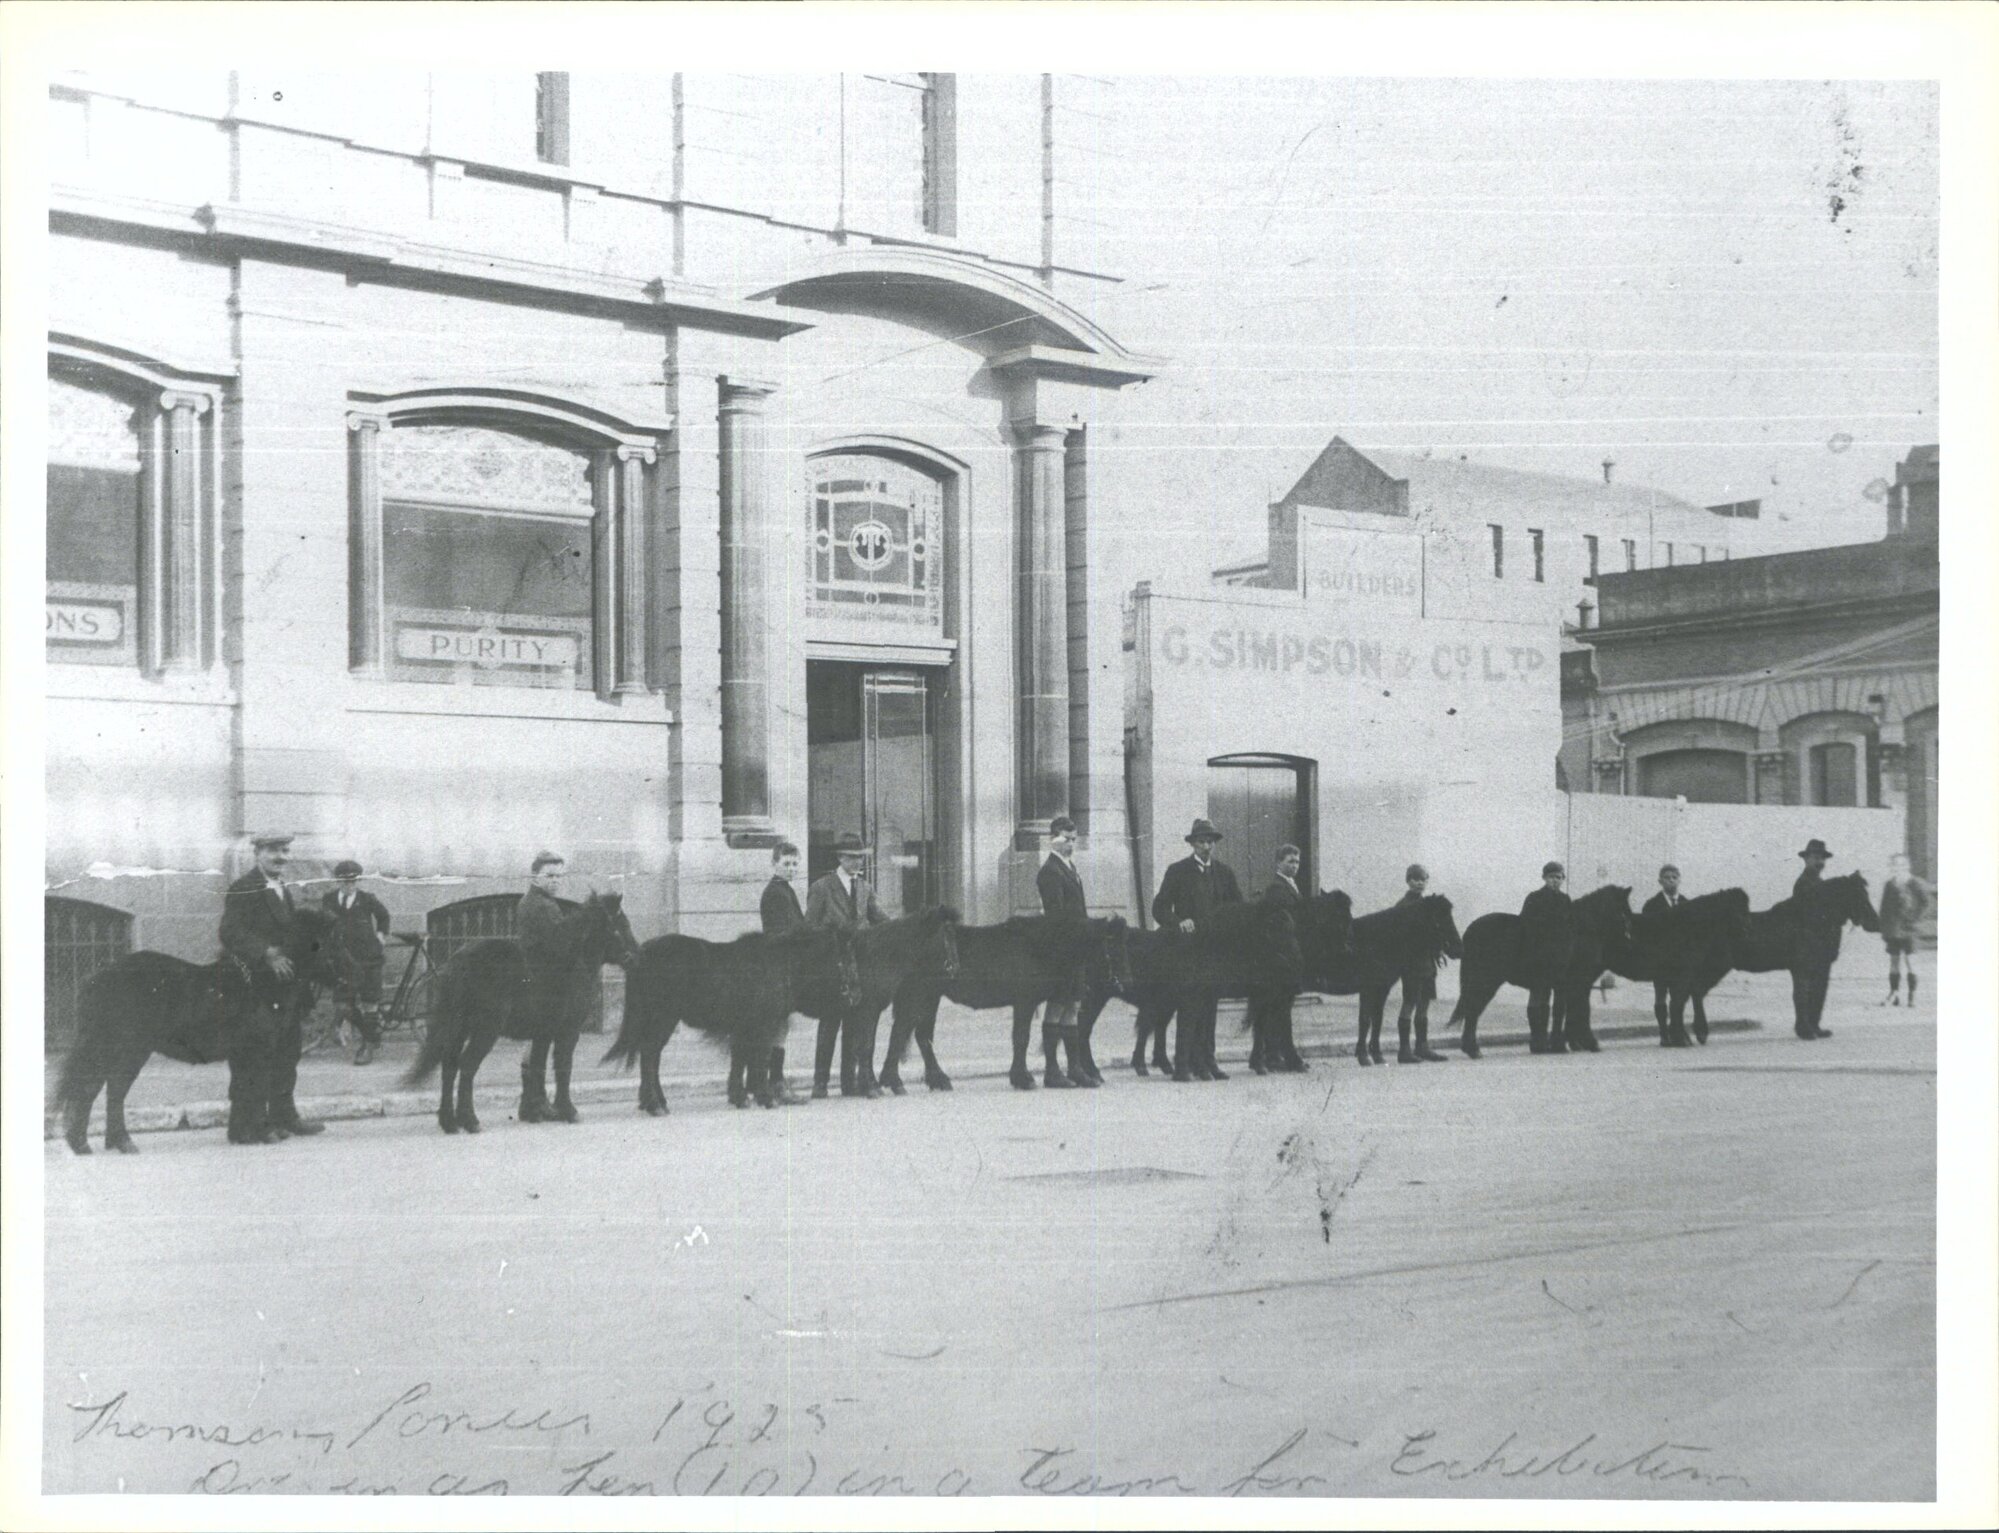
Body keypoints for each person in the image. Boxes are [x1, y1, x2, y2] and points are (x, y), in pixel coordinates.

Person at [219, 833, 324, 1141]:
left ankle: (284, 1115)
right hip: (256, 987)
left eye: (285, 850)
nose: (281, 856)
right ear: (258, 854)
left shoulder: (282, 888)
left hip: (286, 988)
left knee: (287, 1053)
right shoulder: (244, 887)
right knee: (256, 1056)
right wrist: (267, 953)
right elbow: (229, 931)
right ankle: (255, 1121)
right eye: (274, 851)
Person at [1151, 817, 1243, 1082]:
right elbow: (1159, 908)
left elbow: (1237, 907)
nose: (1206, 847)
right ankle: (1183, 1064)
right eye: (1201, 841)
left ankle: (1207, 1061)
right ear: (1192, 844)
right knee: (1189, 1007)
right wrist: (1179, 922)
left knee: (1210, 1008)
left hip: (1214, 952)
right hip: (1188, 952)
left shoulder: (1224, 873)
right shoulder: (1178, 871)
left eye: (1210, 842)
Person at [807, 833, 889, 1096]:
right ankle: (820, 1083)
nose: (857, 863)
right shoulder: (822, 887)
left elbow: (880, 920)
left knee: (854, 1024)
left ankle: (848, 1082)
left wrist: (901, 931)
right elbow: (810, 927)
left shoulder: (865, 888)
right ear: (840, 858)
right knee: (829, 1024)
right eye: (852, 858)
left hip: (860, 967)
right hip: (834, 967)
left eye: (860, 858)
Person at [1036, 815, 1095, 1088]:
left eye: (1073, 839)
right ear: (1053, 839)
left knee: (1073, 1005)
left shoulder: (1070, 868)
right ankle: (1051, 1070)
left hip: (1076, 949)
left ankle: (1075, 1068)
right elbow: (1056, 916)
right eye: (1065, 838)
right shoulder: (1050, 871)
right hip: (1062, 950)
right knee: (1057, 1006)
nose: (1070, 843)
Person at [323, 859, 392, 1066]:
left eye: (353, 881)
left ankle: (367, 1046)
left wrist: (381, 936)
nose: (349, 885)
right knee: (343, 1005)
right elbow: (324, 925)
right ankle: (372, 1036)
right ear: (338, 881)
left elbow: (384, 916)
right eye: (344, 881)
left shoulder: (367, 899)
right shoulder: (329, 900)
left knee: (370, 1003)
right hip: (343, 962)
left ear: (358, 881)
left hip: (369, 959)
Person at [1247, 844, 1309, 1074]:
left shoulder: (1290, 886)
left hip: (1288, 957)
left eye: (1297, 862)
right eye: (1290, 861)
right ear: (1278, 863)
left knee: (1281, 1008)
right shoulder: (1276, 888)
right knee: (1278, 1008)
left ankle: (1274, 1055)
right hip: (1278, 960)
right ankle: (1275, 1056)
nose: (1294, 865)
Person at [756, 841, 809, 1104]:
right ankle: (773, 1083)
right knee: (776, 1027)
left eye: (795, 864)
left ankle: (772, 1081)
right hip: (778, 967)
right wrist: (805, 934)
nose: (791, 868)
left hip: (784, 966)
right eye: (786, 864)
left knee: (780, 1027)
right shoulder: (776, 893)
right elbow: (778, 934)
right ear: (774, 864)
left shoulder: (784, 890)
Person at [1518, 860, 1575, 1054]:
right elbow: (1524, 925)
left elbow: (1571, 929)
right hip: (1539, 958)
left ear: (1563, 879)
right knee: (1538, 997)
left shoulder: (1565, 900)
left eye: (1558, 877)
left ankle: (1557, 1039)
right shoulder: (1534, 898)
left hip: (1560, 959)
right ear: (1544, 878)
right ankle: (1538, 1040)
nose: (1555, 881)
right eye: (1551, 877)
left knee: (1561, 999)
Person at [1395, 863, 1447, 1064]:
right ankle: (1404, 1050)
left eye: (1423, 879)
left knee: (1424, 1003)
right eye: (1415, 879)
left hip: (1427, 962)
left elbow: (1435, 930)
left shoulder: (1429, 905)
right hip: (1411, 963)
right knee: (1409, 1002)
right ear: (1408, 881)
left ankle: (1422, 1046)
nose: (1419, 883)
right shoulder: (1403, 906)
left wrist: (1438, 949)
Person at [1791, 839, 1838, 1040]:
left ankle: (1814, 1024)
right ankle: (1804, 1026)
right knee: (1805, 987)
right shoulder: (1803, 883)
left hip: (1820, 945)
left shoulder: (1819, 882)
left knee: (1818, 986)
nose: (1819, 862)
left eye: (1822, 858)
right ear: (1806, 860)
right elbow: (1805, 914)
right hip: (1805, 944)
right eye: (1815, 858)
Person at [1641, 864, 1690, 1047]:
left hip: (1680, 961)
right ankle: (1663, 1033)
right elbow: (1645, 933)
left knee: (1679, 997)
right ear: (1660, 881)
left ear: (1679, 879)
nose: (1671, 880)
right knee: (1660, 996)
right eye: (1667, 877)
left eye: (1674, 877)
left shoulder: (1686, 903)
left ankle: (1676, 1030)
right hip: (1660, 959)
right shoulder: (1652, 905)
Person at [1877, 852, 1933, 1008]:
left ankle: (1912, 994)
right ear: (1891, 867)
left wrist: (1915, 918)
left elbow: (1927, 904)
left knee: (1910, 962)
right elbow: (1884, 907)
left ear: (1907, 866)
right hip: (1893, 929)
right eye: (1894, 864)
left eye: (1901, 864)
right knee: (1893, 962)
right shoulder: (1890, 884)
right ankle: (1893, 993)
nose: (1898, 868)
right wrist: (1883, 927)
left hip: (1910, 929)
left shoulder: (1915, 883)